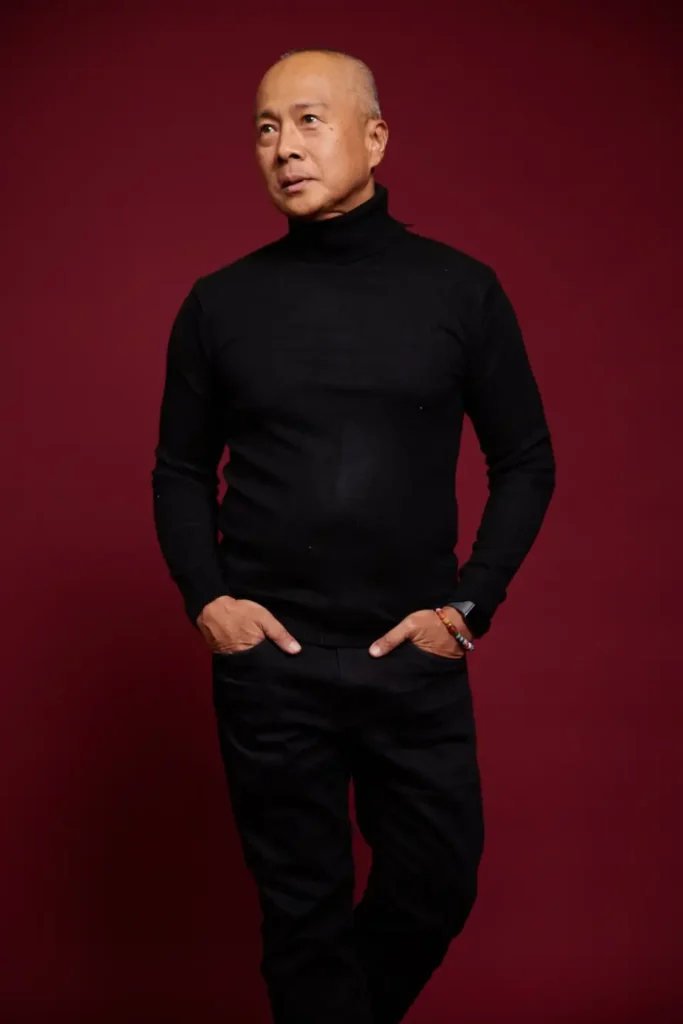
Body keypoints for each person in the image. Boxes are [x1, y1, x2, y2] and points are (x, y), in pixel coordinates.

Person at [151, 47, 556, 1024]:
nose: (283, 147)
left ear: (373, 139)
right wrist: (209, 602)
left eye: (307, 120)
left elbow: (526, 461)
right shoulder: (218, 303)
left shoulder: (460, 291)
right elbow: (178, 470)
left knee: (436, 881)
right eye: (264, 128)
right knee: (302, 916)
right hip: (270, 664)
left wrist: (467, 607)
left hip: (411, 657)